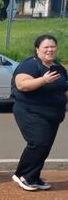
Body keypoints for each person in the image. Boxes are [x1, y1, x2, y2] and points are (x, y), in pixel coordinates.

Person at [10, 34, 68, 191]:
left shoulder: (59, 68)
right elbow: (22, 85)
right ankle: (24, 176)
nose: (50, 50)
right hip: (30, 111)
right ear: (37, 49)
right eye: (46, 47)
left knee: (45, 146)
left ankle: (33, 176)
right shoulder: (30, 65)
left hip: (53, 114)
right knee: (38, 142)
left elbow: (64, 90)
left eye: (53, 46)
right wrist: (43, 80)